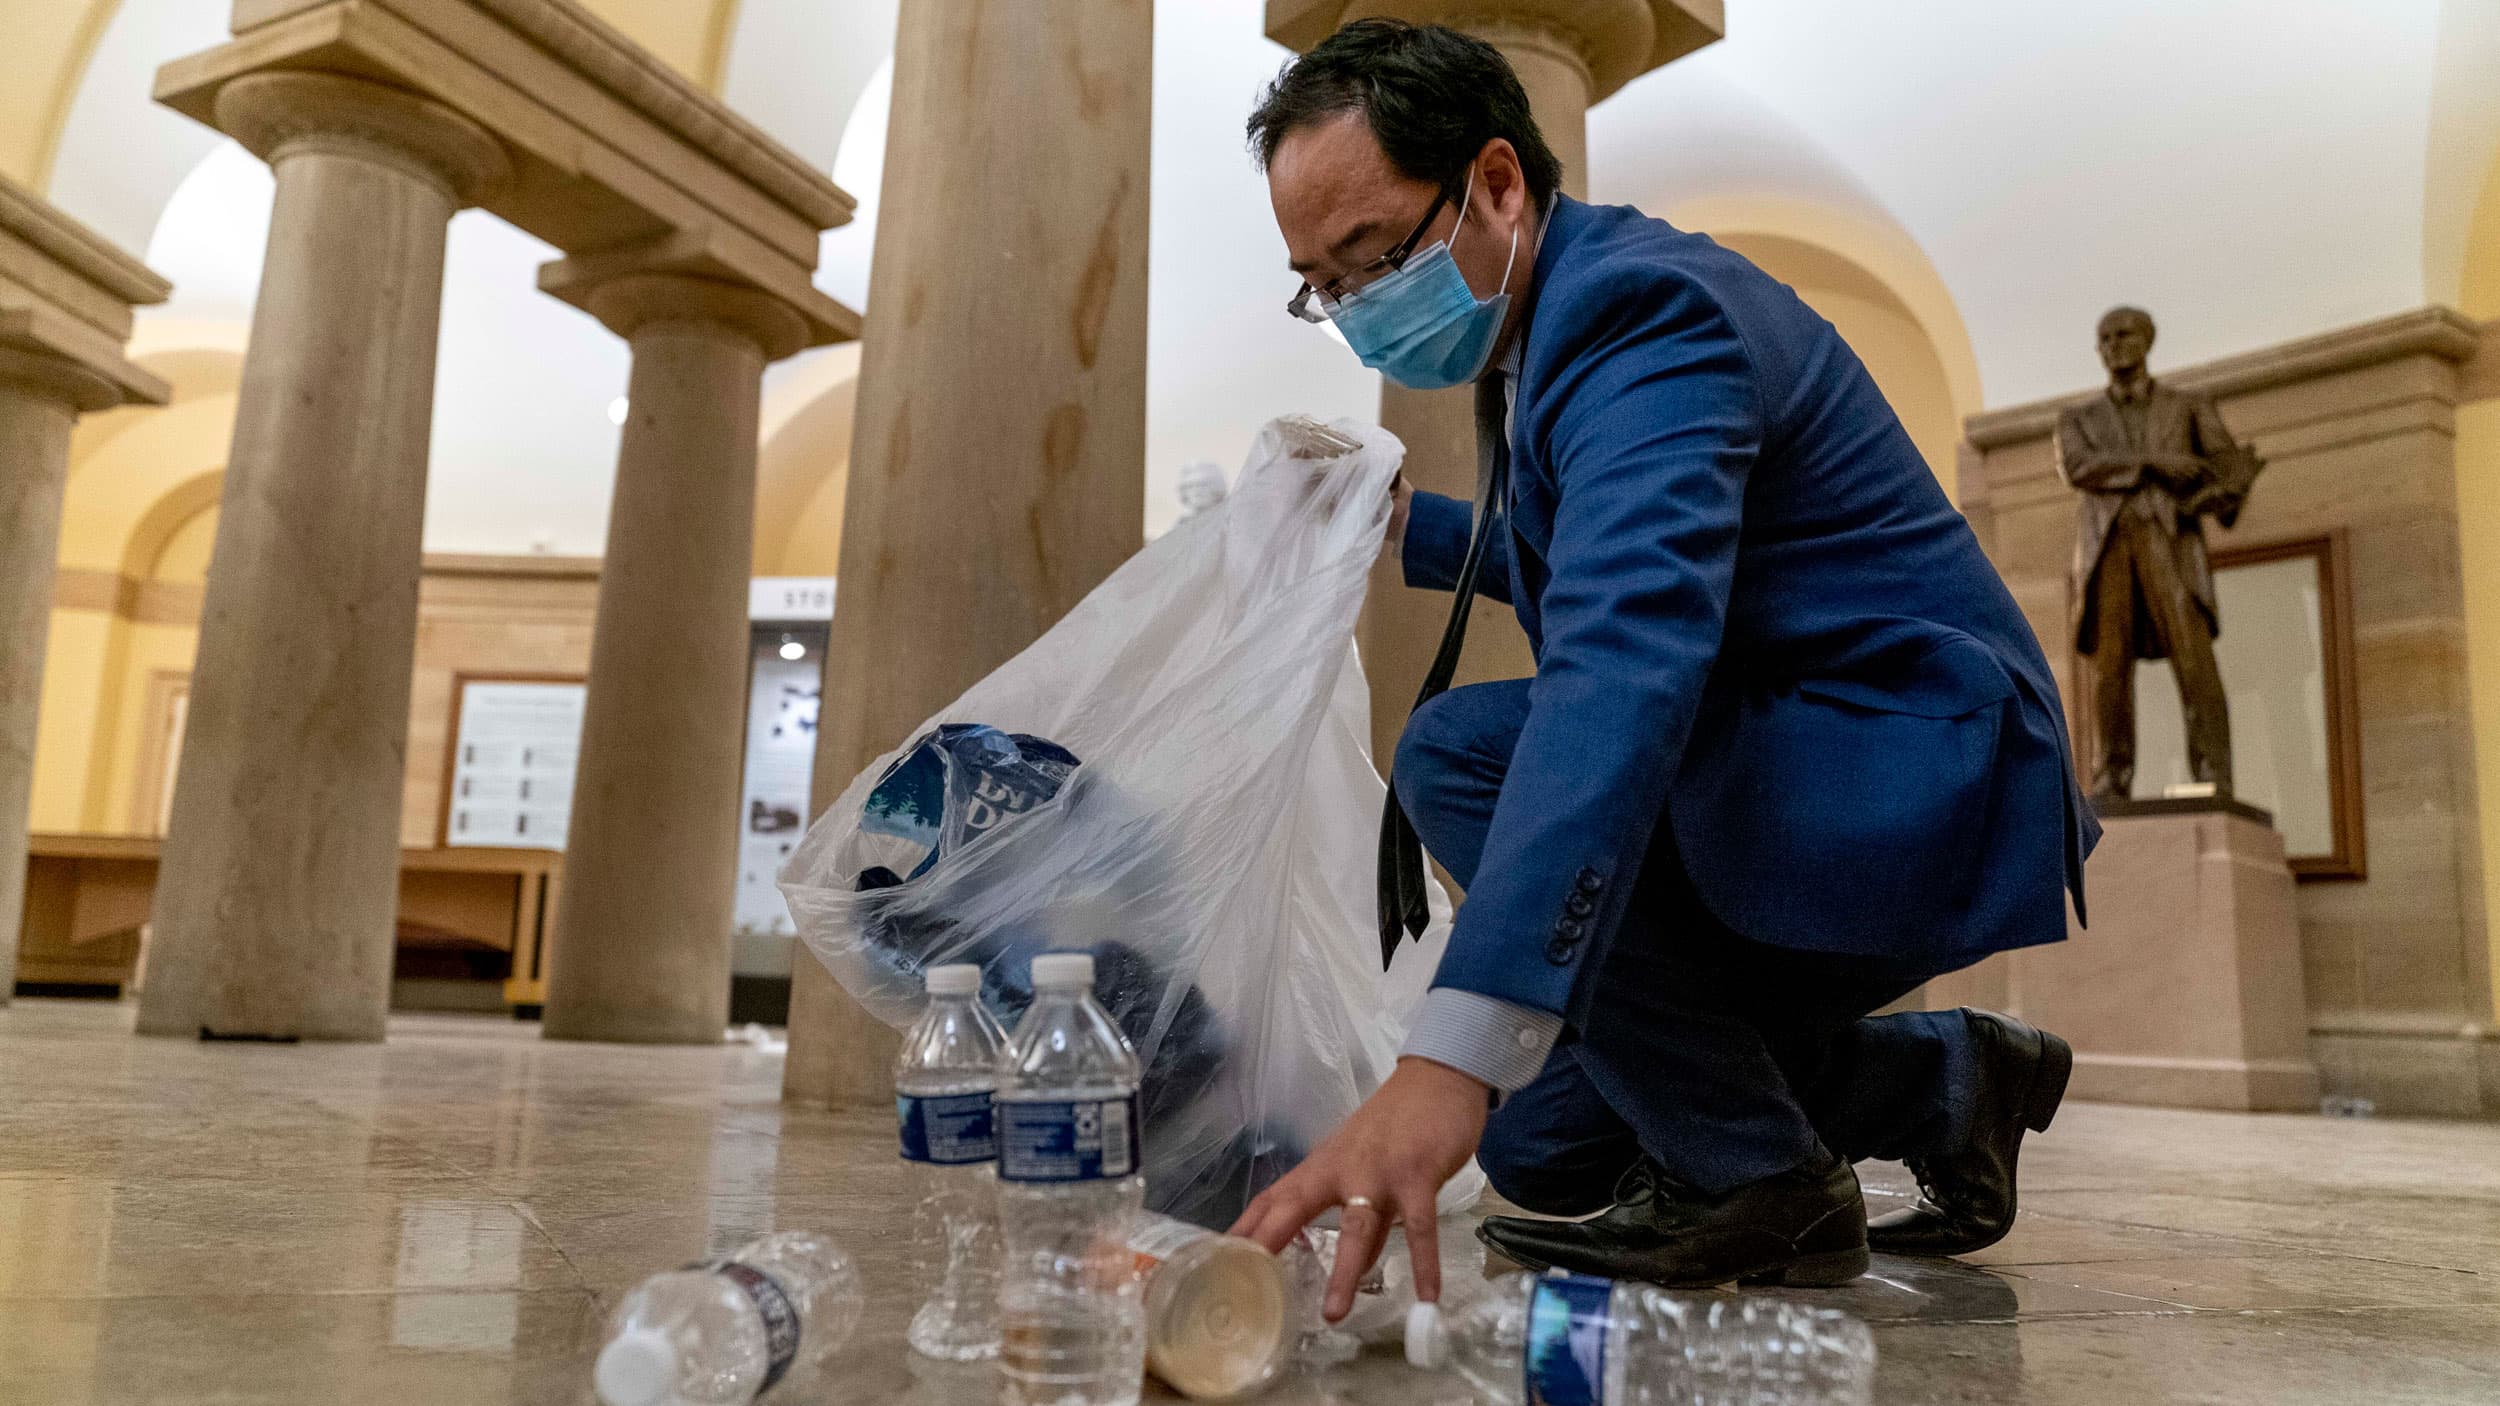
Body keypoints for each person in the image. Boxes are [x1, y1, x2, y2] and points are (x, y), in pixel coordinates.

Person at [1225, 20, 2100, 1319]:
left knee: (1458, 753)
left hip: (1907, 764)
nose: (1357, 310)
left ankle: (1769, 1179)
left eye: (1375, 257)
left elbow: (1624, 660)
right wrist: (1412, 528)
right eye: (1322, 285)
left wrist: (1446, 1052)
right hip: (1813, 756)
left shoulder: (1637, 314)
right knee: (1545, 1142)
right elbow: (1612, 561)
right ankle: (1943, 1084)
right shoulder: (1544, 328)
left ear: (1498, 182)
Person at [2058, 306, 2262, 802]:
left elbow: (2223, 466)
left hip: (2170, 541)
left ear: (2147, 340)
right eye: (2105, 338)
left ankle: (2214, 774)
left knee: (2194, 659)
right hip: (2110, 547)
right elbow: (2079, 466)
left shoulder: (2189, 406)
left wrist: (2226, 488)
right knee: (2109, 669)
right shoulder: (2077, 418)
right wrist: (2155, 462)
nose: (2114, 345)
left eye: (2124, 334)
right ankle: (2111, 776)